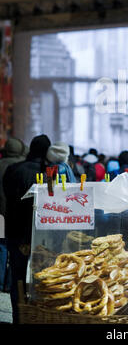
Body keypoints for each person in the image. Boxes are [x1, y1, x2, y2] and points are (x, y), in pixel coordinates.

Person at [3, 134, 51, 323]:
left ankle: (19, 317)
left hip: (16, 232)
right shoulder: (49, 173)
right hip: (41, 235)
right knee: (43, 278)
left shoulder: (14, 169)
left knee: (18, 279)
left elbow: (8, 196)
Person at [0, 138, 28, 293]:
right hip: (15, 215)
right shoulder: (21, 166)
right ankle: (9, 284)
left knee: (1, 246)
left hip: (0, 213)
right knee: (13, 249)